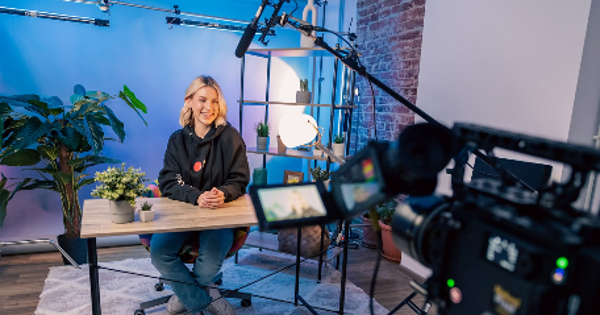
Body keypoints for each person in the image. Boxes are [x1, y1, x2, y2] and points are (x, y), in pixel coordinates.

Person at [152, 75, 250, 315]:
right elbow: (167, 181)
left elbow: (239, 180)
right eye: (202, 100)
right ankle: (202, 300)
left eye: (215, 101)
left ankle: (186, 295)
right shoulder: (177, 140)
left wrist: (223, 194)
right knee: (159, 252)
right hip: (182, 214)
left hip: (219, 216)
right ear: (189, 101)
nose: (209, 107)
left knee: (207, 269)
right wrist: (196, 196)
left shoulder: (231, 137)